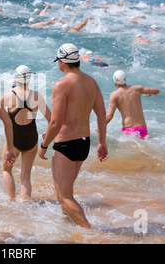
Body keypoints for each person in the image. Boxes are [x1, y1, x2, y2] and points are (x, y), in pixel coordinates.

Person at [38, 43, 108, 228]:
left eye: (58, 62)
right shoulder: (91, 81)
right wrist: (102, 143)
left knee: (64, 196)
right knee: (67, 191)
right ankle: (68, 229)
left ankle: (92, 235)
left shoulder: (62, 85)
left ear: (62, 62)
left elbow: (56, 122)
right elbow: (102, 114)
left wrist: (45, 144)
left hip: (66, 145)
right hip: (84, 143)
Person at [0, 65, 51, 201]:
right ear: (29, 79)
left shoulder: (8, 96)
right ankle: (27, 204)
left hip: (14, 140)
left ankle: (12, 202)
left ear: (15, 78)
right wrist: (47, 132)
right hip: (32, 140)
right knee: (25, 176)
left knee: (6, 170)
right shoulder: (36, 96)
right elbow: (51, 120)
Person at [106, 70, 160, 139]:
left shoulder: (114, 95)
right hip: (143, 130)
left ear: (114, 81)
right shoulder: (137, 88)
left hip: (129, 131)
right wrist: (150, 93)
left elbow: (109, 116)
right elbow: (156, 91)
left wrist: (100, 128)